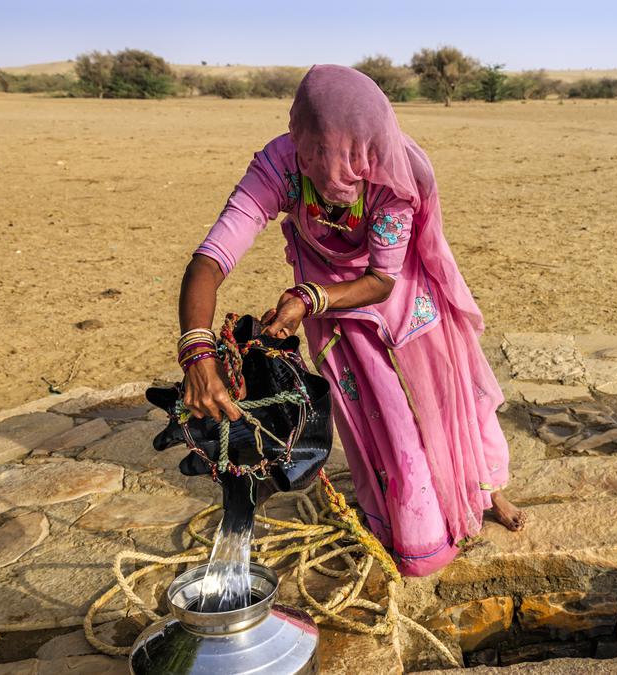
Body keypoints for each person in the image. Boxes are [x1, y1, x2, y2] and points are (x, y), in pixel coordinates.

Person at [176, 65, 524, 577]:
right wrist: (197, 352)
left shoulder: (392, 174)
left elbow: (383, 278)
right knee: (384, 417)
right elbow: (211, 257)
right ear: (302, 139)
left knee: (440, 404)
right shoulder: (281, 165)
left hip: (398, 295)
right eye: (321, 157)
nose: (340, 172)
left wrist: (306, 297)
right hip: (329, 304)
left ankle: (484, 495)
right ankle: (408, 524)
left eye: (352, 159)